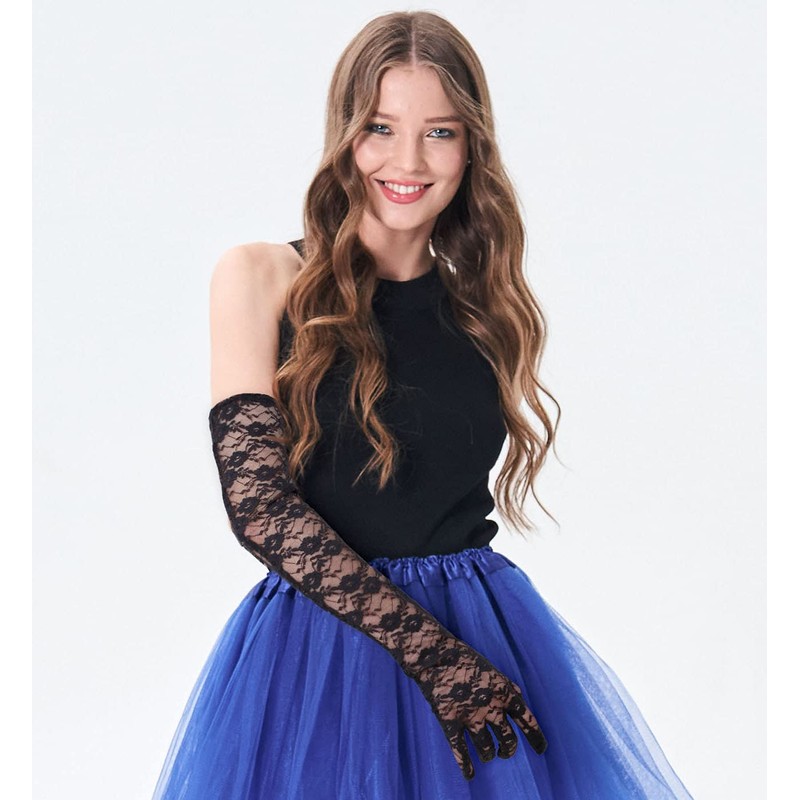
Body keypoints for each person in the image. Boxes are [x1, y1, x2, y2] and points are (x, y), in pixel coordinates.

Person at [152, 10, 695, 800]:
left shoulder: (485, 310)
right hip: (321, 655)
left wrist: (458, 659)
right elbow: (259, 507)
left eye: (439, 133)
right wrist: (433, 656)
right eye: (380, 127)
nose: (407, 160)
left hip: (480, 644)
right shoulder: (261, 277)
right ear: (345, 134)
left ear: (472, 148)